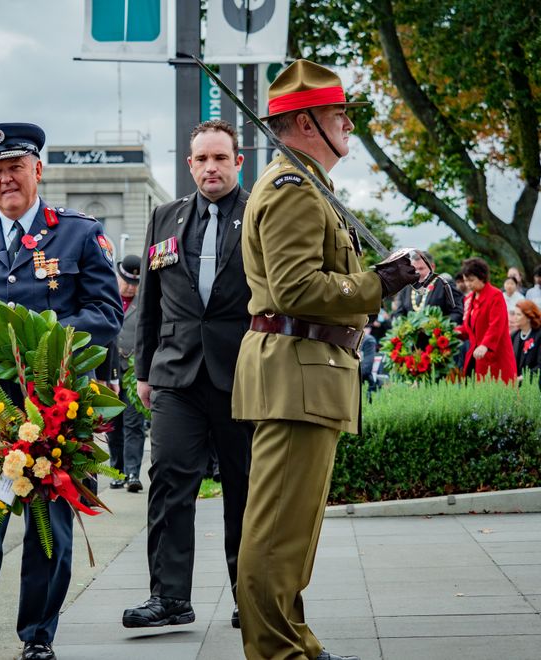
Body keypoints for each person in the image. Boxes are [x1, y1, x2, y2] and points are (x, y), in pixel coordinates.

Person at [230, 60, 420, 660]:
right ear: (306, 122)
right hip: (296, 372)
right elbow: (296, 290)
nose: (347, 124)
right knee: (277, 532)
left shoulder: (308, 184)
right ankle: (275, 652)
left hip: (306, 372)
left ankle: (293, 643)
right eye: (338, 113)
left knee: (293, 532)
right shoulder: (292, 189)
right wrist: (384, 280)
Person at [0, 122, 122, 660]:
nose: (5, 178)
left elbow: (107, 314)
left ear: (37, 169)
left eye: (14, 167)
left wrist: (45, 342)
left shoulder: (79, 232)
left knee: (49, 526)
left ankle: (37, 636)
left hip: (55, 404)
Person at [125, 119, 253, 631]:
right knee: (169, 483)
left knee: (245, 490)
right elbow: (150, 303)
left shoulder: (259, 214)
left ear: (238, 162)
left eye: (220, 158)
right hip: (176, 374)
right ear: (190, 164)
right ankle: (170, 598)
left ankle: (253, 597)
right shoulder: (165, 217)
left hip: (242, 373)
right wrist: (143, 369)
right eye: (202, 159)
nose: (211, 168)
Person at [105, 254, 146, 492]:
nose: (130, 287)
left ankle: (132, 473)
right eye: (127, 282)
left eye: (135, 283)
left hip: (133, 372)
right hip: (110, 369)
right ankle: (116, 470)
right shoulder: (108, 297)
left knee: (134, 423)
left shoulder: (144, 302)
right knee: (113, 424)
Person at [460, 257, 516, 383]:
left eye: (471, 280)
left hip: (495, 356)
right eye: (465, 280)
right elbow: (467, 327)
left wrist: (485, 345)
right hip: (476, 358)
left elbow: (496, 325)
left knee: (500, 396)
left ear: (482, 277)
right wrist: (450, 332)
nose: (468, 284)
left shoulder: (495, 295)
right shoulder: (468, 299)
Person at [391, 250, 462, 323]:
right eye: (414, 269)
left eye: (421, 269)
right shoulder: (406, 288)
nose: (417, 273)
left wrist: (438, 326)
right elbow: (398, 313)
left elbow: (457, 313)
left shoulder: (445, 285)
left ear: (432, 267)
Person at [511, 300, 541, 381]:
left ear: (529, 317)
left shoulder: (539, 335)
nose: (514, 318)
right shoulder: (514, 335)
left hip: (534, 384)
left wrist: (524, 377)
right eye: (514, 314)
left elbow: (540, 365)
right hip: (516, 384)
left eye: (518, 315)